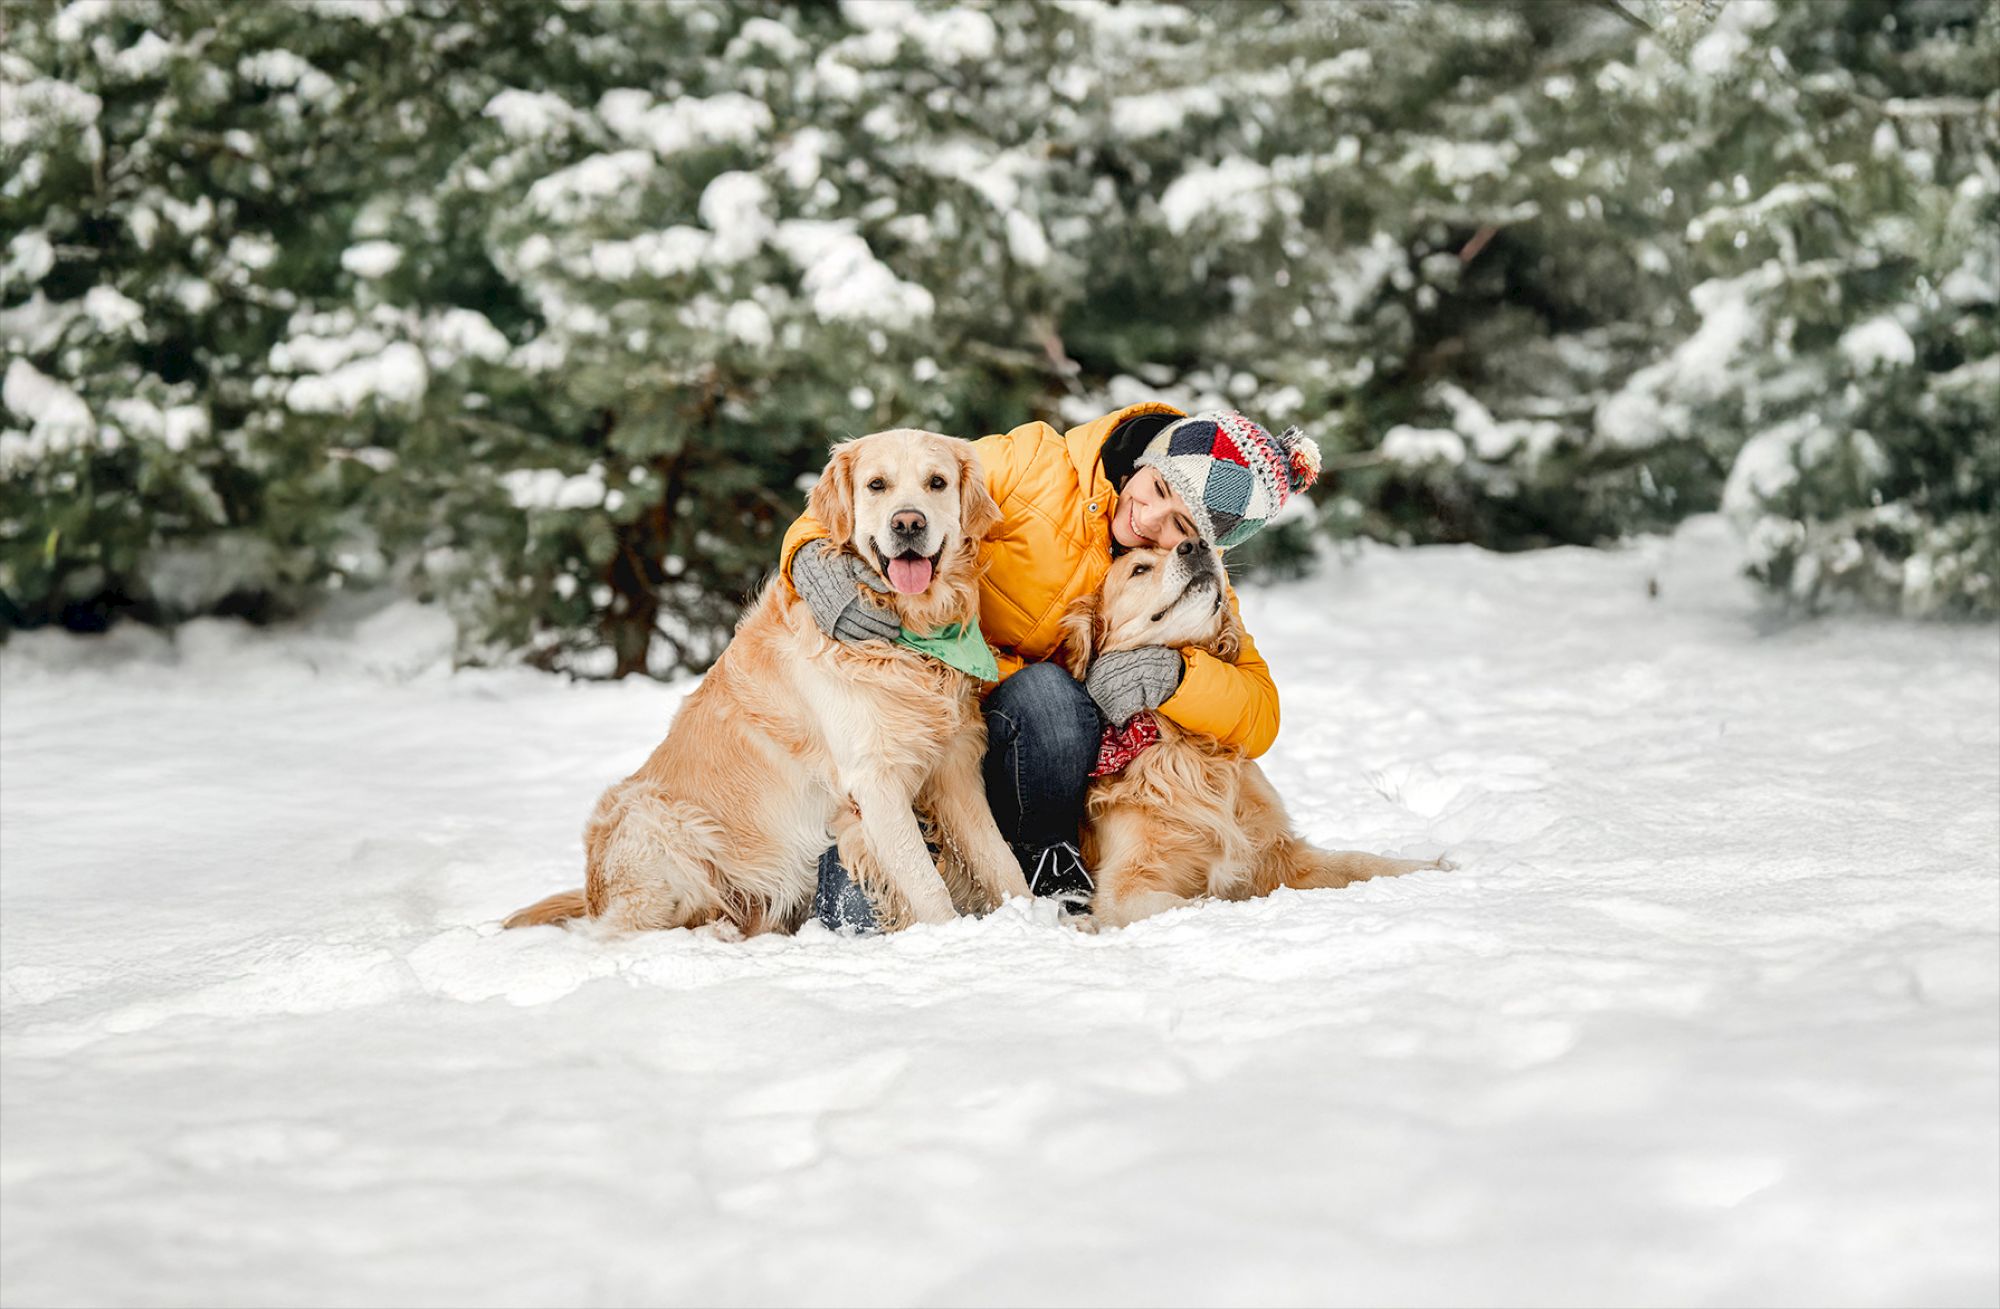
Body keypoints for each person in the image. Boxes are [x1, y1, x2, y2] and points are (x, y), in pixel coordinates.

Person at [781, 401, 1321, 931]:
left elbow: (1260, 708)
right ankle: (893, 855)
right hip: (916, 715)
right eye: (1156, 489)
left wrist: (1178, 679)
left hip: (1030, 749)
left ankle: (1044, 857)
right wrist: (807, 557)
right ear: (1145, 462)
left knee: (1052, 698)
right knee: (854, 914)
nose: (1150, 518)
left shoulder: (1187, 578)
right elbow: (894, 476)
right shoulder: (1034, 463)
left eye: (1179, 523)